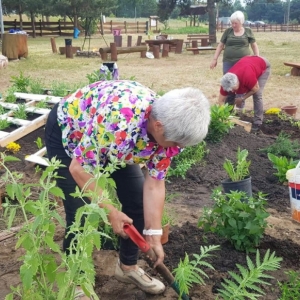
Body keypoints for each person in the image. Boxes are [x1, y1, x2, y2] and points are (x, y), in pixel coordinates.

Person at [45, 80, 211, 299]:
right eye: (174, 143)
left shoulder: (166, 131)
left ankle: (127, 267)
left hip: (117, 143)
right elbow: (78, 169)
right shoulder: (119, 122)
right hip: (70, 136)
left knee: (136, 201)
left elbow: (155, 183)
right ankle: (78, 280)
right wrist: (111, 211)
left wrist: (153, 234)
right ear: (158, 126)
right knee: (81, 213)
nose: (176, 149)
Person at [218, 55, 271, 132]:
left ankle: (258, 123)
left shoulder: (247, 76)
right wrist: (222, 116)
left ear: (237, 82)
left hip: (262, 64)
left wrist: (242, 98)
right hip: (247, 63)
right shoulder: (226, 81)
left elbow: (255, 88)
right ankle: (227, 116)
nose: (232, 91)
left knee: (257, 95)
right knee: (230, 95)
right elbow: (220, 101)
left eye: (233, 88)